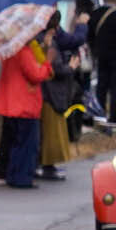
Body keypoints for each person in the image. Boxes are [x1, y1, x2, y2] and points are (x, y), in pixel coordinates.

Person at [0, 29, 55, 188]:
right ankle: (22, 178)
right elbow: (35, 75)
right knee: (27, 145)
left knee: (15, 143)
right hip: (24, 105)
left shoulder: (11, 51)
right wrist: (47, 64)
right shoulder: (24, 52)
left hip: (11, 105)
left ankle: (12, 175)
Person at [40, 10, 82, 181]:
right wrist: (71, 66)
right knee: (52, 132)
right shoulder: (49, 44)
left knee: (47, 132)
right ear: (56, 25)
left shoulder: (43, 41)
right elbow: (55, 69)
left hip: (45, 93)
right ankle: (48, 166)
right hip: (51, 94)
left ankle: (44, 165)